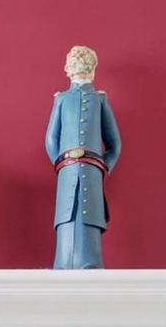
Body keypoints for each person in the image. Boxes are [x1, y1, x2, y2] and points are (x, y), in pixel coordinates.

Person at [44, 46, 121, 269]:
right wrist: (63, 167)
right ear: (68, 68)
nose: (79, 66)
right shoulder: (61, 99)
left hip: (91, 172)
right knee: (66, 221)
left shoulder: (99, 99)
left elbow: (115, 143)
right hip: (68, 171)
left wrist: (100, 168)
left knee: (89, 222)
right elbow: (51, 140)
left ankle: (90, 263)